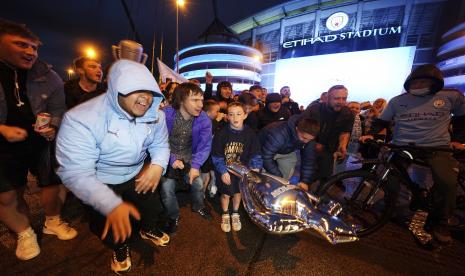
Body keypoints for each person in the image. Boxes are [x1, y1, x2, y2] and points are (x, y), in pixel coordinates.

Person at [56, 60, 170, 274]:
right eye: (137, 89)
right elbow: (76, 171)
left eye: (150, 91)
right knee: (112, 225)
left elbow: (160, 144)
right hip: (101, 180)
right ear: (118, 88)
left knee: (151, 209)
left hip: (139, 173)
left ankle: (148, 229)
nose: (146, 97)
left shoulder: (157, 116)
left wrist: (156, 165)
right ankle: (120, 247)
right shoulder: (82, 119)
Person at [360, 64, 465, 244]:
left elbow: (462, 118)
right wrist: (372, 134)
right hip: (403, 145)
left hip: (437, 146)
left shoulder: (451, 96)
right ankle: (391, 205)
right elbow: (381, 121)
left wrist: (457, 139)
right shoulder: (397, 101)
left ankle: (441, 222)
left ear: (435, 82)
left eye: (424, 81)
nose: (419, 85)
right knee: (389, 177)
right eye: (415, 82)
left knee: (447, 181)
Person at [0, 19, 76, 261]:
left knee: (53, 182)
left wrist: (52, 126)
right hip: (3, 146)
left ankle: (52, 221)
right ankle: (24, 232)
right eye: (21, 45)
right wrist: (2, 129)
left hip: (40, 141)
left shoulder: (48, 75)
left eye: (34, 47)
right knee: (8, 194)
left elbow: (59, 109)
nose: (30, 52)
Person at [160, 82, 213, 236]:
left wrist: (195, 166)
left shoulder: (204, 120)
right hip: (167, 156)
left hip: (190, 158)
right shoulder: (165, 114)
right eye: (195, 100)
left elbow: (205, 146)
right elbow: (158, 142)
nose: (200, 105)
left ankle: (198, 206)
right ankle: (173, 216)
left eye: (202, 100)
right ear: (182, 100)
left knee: (197, 184)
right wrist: (171, 159)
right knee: (167, 189)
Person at [212, 102, 262, 232]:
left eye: (239, 114)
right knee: (225, 194)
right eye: (231, 114)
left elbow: (255, 153)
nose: (235, 118)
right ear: (227, 116)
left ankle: (235, 213)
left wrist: (255, 168)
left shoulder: (250, 134)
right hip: (225, 170)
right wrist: (223, 171)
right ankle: (225, 213)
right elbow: (217, 156)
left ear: (245, 115)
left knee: (238, 193)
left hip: (242, 171)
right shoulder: (221, 133)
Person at [301, 85, 354, 184]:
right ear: (327, 98)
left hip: (329, 151)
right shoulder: (314, 109)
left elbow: (345, 132)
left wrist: (342, 146)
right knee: (306, 177)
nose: (341, 102)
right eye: (337, 98)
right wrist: (313, 144)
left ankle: (319, 197)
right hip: (308, 149)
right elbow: (302, 128)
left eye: (344, 98)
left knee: (325, 177)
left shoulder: (348, 113)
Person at [259, 116, 319, 190]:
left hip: (286, 150)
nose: (306, 142)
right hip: (263, 148)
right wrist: (278, 177)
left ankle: (278, 190)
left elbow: (308, 161)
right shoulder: (279, 133)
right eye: (304, 138)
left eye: (310, 139)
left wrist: (304, 181)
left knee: (286, 176)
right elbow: (266, 156)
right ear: (296, 129)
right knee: (263, 175)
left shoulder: (309, 139)